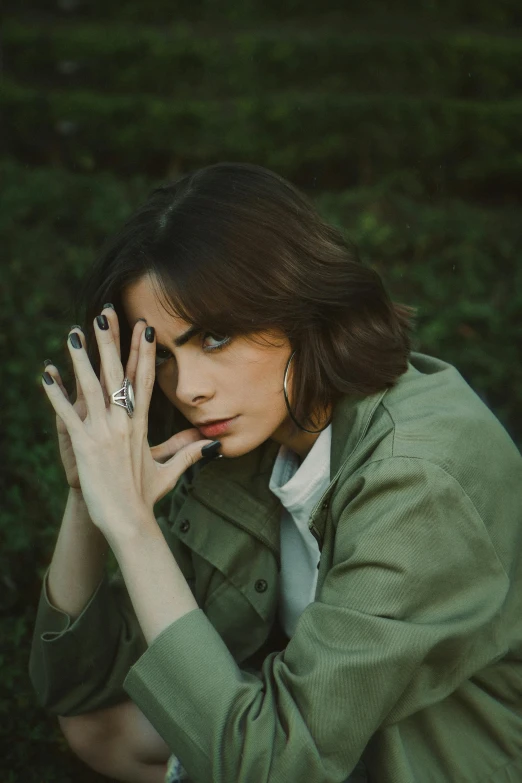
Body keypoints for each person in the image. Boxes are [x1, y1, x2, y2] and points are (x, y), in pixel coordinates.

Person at [29, 162, 522, 783]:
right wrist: (87, 498)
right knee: (102, 728)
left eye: (214, 337)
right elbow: (78, 693)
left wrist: (134, 528)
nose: (190, 391)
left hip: (425, 760)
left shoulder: (419, 479)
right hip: (308, 737)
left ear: (296, 301)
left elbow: (278, 765)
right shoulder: (245, 438)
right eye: (161, 355)